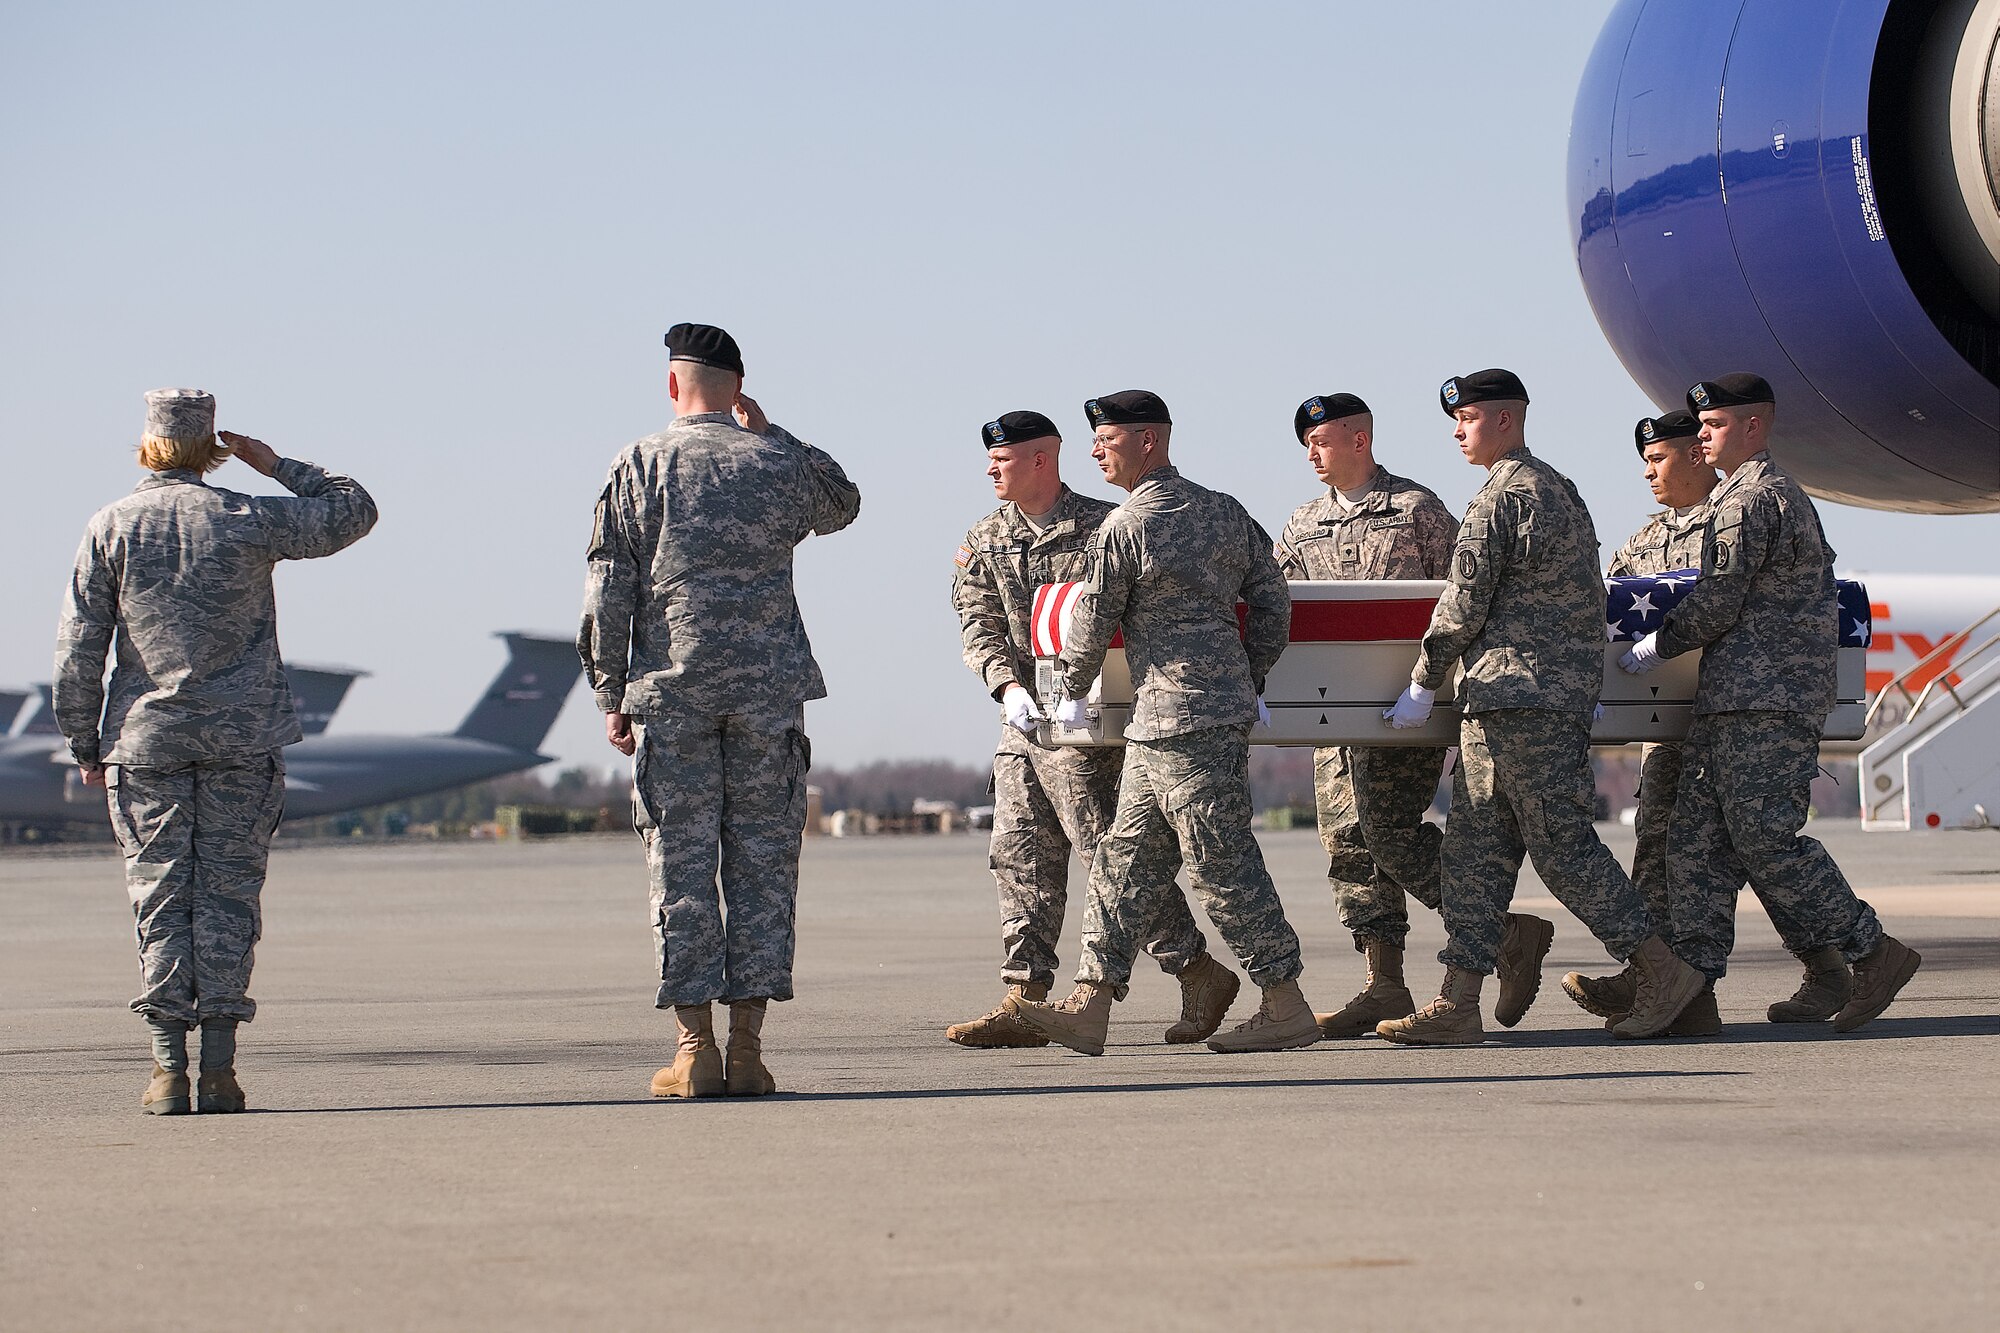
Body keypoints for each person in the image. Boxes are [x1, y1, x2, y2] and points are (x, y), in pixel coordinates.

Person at [53, 388, 377, 1115]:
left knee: (161, 896)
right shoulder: (248, 516)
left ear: (148, 445)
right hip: (242, 739)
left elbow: (79, 648)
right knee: (230, 898)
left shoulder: (112, 526)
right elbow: (353, 510)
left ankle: (168, 1071)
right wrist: (276, 464)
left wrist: (82, 740)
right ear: (210, 448)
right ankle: (221, 1071)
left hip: (147, 743)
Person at [1375, 370, 1704, 1046]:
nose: (1458, 431)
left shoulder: (1503, 497)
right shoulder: (1560, 491)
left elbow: (1463, 603)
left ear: (1505, 420)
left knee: (1562, 847)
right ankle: (1458, 1000)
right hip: (1520, 699)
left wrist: (1423, 680)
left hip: (1521, 699)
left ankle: (1663, 971)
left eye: (1467, 418)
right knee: (1474, 852)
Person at [578, 322, 861, 1098]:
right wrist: (774, 434)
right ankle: (747, 1051)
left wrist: (609, 691)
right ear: (738, 388)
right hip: (768, 694)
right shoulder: (773, 462)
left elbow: (608, 585)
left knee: (681, 867)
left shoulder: (639, 463)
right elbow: (843, 501)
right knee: (763, 867)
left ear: (673, 384)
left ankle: (693, 1049)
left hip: (675, 694)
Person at [1009, 390, 1322, 1055]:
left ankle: (1285, 1000)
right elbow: (1273, 599)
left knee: (1219, 861)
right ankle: (1091, 1000)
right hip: (1169, 722)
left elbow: (1092, 619)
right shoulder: (1224, 512)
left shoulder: (1127, 526)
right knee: (1124, 860)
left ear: (1148, 441)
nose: (1097, 451)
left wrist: (1068, 692)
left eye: (1108, 440)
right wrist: (1248, 674)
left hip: (1182, 722)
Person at [1615, 374, 1921, 1031]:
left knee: (1764, 838)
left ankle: (1873, 952)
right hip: (1735, 696)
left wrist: (1654, 645)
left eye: (1714, 426)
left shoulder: (1753, 499)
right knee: (1694, 842)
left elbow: (1719, 599)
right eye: (1700, 426)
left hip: (1766, 697)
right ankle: (1691, 991)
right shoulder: (1749, 495)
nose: (1702, 437)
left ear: (1754, 427)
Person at [947, 411, 1233, 1048]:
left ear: (1043, 458)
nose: (991, 469)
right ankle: (1025, 997)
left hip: (1090, 728)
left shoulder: (1105, 527)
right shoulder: (985, 538)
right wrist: (1007, 687)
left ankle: (1195, 969)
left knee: (1109, 857)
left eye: (1003, 458)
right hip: (1024, 724)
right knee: (1018, 857)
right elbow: (977, 622)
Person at [1272, 392, 1522, 1038]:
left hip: (1403, 713)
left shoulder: (1417, 511)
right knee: (1348, 847)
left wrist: (1447, 697)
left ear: (1359, 440)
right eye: (1307, 444)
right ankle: (1384, 983)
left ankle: (1501, 932)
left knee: (1390, 834)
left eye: (1321, 441)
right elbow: (1278, 607)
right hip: (1330, 719)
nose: (1311, 453)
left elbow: (1468, 602)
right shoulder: (1302, 524)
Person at [1563, 410, 1730, 1033]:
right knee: (1655, 841)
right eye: (1645, 461)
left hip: (1722, 714)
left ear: (1696, 455)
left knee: (1705, 851)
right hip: (1664, 724)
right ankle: (1652, 978)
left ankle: (1696, 992)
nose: (1648, 473)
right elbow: (1609, 615)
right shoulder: (1644, 540)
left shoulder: (1734, 522)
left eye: (1659, 459)